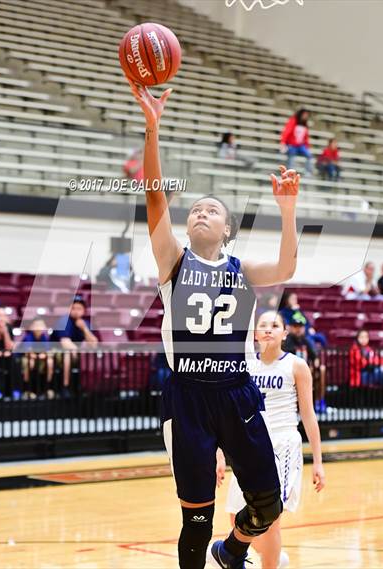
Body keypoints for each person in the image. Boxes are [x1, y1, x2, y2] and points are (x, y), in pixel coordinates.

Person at [127, 76, 300, 569]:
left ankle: (234, 550)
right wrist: (152, 129)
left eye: (213, 211)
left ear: (226, 229)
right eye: (197, 209)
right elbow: (155, 198)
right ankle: (210, 550)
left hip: (237, 392)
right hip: (190, 396)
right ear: (188, 225)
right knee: (196, 519)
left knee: (269, 503)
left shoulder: (239, 269)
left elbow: (286, 269)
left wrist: (287, 211)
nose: (202, 213)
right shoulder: (174, 264)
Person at [217, 310, 325, 569]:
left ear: (284, 333)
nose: (268, 329)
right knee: (236, 517)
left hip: (282, 445)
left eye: (275, 325)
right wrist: (219, 453)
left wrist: (318, 462)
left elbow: (309, 416)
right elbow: (228, 413)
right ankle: (273, 558)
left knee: (271, 517)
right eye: (263, 325)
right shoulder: (244, 365)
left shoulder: (296, 365)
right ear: (254, 334)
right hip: (250, 444)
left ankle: (270, 564)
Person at [51, 295, 98, 397]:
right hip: (56, 352)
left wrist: (84, 329)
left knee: (89, 351)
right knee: (67, 353)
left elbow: (94, 344)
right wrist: (77, 350)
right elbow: (65, 343)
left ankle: (86, 386)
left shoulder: (84, 323)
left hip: (76, 353)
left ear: (84, 311)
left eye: (79, 308)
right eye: (73, 308)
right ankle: (65, 386)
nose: (76, 311)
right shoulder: (63, 321)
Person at [284, 313, 327, 413]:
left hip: (307, 372)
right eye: (295, 326)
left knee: (322, 369)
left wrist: (316, 363)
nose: (298, 329)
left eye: (300, 326)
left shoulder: (306, 341)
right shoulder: (287, 342)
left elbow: (315, 357)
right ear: (291, 328)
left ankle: (319, 401)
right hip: (291, 372)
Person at [349, 329, 383, 411]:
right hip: (362, 376)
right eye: (361, 337)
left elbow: (377, 360)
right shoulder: (354, 349)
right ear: (357, 338)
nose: (364, 339)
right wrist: (372, 362)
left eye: (366, 337)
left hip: (373, 374)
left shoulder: (369, 349)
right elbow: (361, 364)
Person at [19, 317, 54, 400]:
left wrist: (44, 355)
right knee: (30, 362)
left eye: (41, 325)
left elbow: (48, 351)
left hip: (40, 358)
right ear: (31, 327)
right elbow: (28, 352)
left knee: (50, 362)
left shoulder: (44, 337)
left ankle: (47, 388)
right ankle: (27, 389)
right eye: (37, 325)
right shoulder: (28, 337)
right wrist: (37, 356)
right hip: (27, 358)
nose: (39, 327)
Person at [281, 108, 313, 176]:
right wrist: (283, 143)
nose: (305, 116)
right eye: (304, 115)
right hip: (292, 144)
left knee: (309, 155)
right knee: (291, 154)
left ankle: (308, 172)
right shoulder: (293, 120)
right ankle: (290, 172)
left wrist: (307, 147)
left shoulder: (305, 124)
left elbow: (306, 137)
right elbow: (287, 131)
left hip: (300, 145)